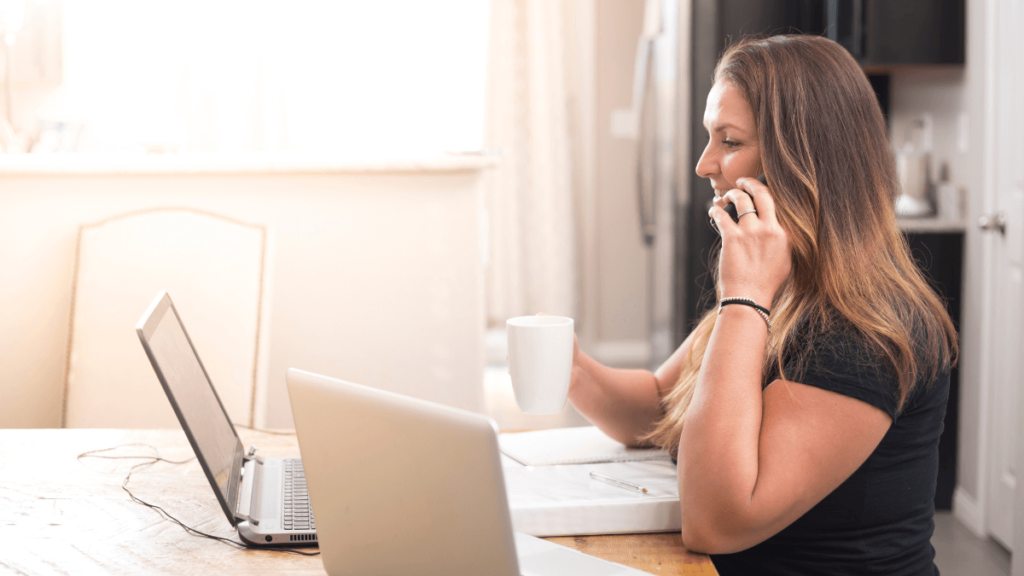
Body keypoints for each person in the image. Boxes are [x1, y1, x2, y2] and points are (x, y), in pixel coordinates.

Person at [567, 34, 957, 575]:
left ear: (805, 160)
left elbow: (717, 522)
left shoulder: (863, 331)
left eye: (729, 141)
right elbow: (663, 406)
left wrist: (744, 298)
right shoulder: (784, 285)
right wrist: (573, 370)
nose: (705, 164)